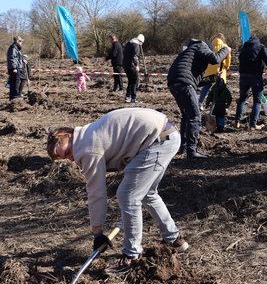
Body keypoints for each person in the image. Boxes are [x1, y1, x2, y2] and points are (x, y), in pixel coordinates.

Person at [46, 108, 189, 276]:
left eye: (68, 152)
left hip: (157, 140)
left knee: (128, 196)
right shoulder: (85, 135)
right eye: (66, 158)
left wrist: (97, 232)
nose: (71, 158)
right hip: (166, 135)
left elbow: (96, 192)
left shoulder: (86, 148)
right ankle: (174, 239)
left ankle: (131, 255)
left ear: (68, 135)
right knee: (148, 193)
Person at [167, 38, 231, 158]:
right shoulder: (200, 45)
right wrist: (225, 49)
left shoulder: (188, 53)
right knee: (195, 116)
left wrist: (213, 78)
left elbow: (195, 81)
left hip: (174, 83)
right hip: (184, 84)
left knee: (187, 115)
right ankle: (192, 151)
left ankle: (184, 147)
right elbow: (215, 59)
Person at [234, 35, 267, 130]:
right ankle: (253, 125)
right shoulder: (260, 47)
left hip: (243, 77)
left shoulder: (244, 48)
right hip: (255, 77)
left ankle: (237, 121)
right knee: (257, 102)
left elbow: (240, 60)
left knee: (242, 99)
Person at [199, 33, 231, 110]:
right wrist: (226, 67)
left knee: (206, 87)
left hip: (208, 69)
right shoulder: (225, 47)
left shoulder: (208, 46)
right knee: (221, 88)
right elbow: (228, 60)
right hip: (220, 71)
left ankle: (199, 103)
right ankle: (219, 105)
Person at [123, 34, 144, 103]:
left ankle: (127, 97)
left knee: (130, 81)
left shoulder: (128, 44)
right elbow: (135, 56)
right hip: (132, 66)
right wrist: (137, 65)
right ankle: (133, 98)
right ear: (140, 41)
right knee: (135, 81)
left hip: (125, 65)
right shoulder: (136, 45)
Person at [6, 36, 26, 100]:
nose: (21, 43)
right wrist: (14, 68)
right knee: (15, 83)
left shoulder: (17, 48)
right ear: (17, 41)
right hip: (15, 68)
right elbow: (12, 58)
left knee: (22, 79)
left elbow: (18, 57)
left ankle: (18, 94)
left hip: (19, 67)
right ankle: (14, 97)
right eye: (20, 41)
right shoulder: (13, 48)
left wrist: (23, 60)